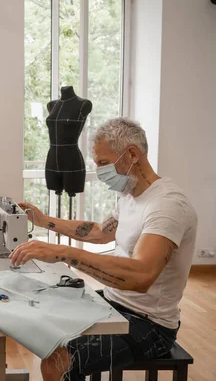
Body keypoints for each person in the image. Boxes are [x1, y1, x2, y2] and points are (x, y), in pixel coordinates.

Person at [10, 118, 197, 381]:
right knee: (42, 314)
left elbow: (140, 276)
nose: (99, 172)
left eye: (103, 163)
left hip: (150, 324)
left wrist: (65, 253)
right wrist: (43, 221)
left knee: (57, 360)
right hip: (114, 303)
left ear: (132, 154)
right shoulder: (130, 195)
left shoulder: (167, 206)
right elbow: (100, 232)